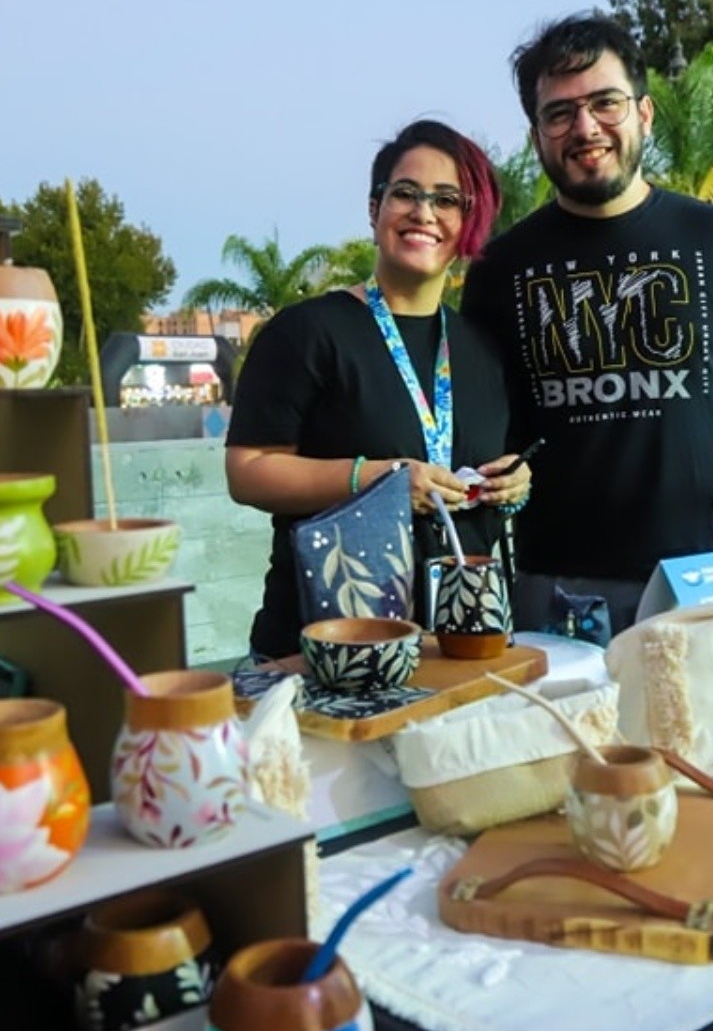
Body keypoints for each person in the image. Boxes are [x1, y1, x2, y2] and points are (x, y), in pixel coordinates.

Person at [462, 14, 713, 634]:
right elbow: (476, 429)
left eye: (606, 102)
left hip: (702, 577)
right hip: (555, 587)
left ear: (645, 113)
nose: (585, 128)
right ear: (537, 136)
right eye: (559, 113)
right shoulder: (500, 268)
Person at [226, 120, 532, 659]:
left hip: (459, 644)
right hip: (330, 648)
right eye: (406, 193)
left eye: (447, 200)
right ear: (375, 210)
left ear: (469, 224)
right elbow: (246, 471)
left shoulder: (483, 349)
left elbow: (492, 462)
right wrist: (381, 480)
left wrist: (514, 484)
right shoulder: (307, 333)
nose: (424, 213)